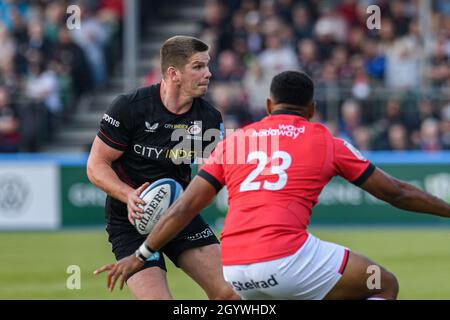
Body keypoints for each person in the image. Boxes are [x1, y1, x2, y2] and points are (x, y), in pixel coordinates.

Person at [95, 71, 450, 299]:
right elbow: (397, 193)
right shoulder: (326, 141)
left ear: (268, 105)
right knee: (384, 284)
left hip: (234, 269)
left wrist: (141, 255)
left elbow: (185, 207)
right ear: (311, 108)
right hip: (288, 259)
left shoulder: (235, 141)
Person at [87, 35, 239, 300]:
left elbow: (209, 177)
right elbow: (96, 165)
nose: (209, 73)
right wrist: (129, 195)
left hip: (179, 214)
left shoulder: (209, 118)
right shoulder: (129, 107)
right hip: (130, 220)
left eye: (207, 65)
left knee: (230, 294)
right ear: (174, 73)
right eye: (198, 66)